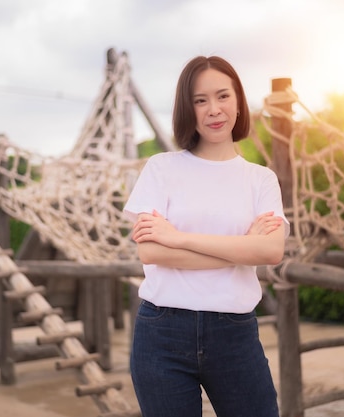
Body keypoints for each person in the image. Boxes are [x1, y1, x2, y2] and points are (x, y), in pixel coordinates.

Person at [123, 55, 289, 417]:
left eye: (223, 96)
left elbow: (271, 250)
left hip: (234, 334)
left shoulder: (260, 179)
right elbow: (151, 252)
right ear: (188, 108)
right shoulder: (161, 168)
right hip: (162, 333)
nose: (214, 109)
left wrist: (178, 237)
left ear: (239, 101)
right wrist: (243, 247)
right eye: (200, 100)